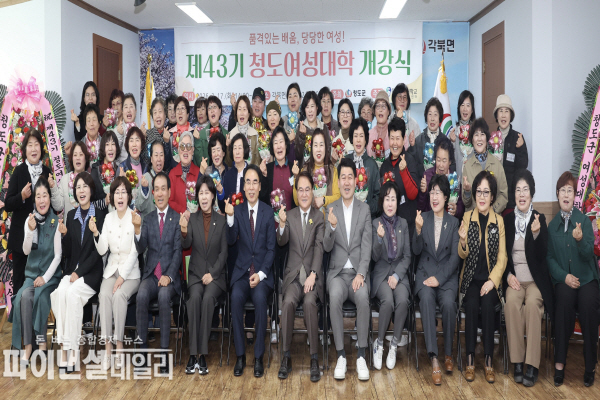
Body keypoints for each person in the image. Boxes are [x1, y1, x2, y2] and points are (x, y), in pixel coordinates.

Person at [548, 171, 599, 387]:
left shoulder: (583, 222)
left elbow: (589, 255)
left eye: (570, 190)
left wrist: (580, 241)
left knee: (588, 306)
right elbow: (549, 259)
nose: (566, 194)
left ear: (575, 195)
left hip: (586, 279)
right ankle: (559, 364)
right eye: (563, 190)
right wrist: (564, 276)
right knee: (563, 303)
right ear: (557, 194)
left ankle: (590, 366)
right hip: (565, 280)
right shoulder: (552, 226)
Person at [502, 169, 553, 387]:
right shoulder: (507, 220)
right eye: (518, 190)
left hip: (535, 281)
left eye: (525, 190)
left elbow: (542, 256)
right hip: (515, 280)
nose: (521, 194)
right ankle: (517, 362)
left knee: (532, 305)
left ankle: (532, 365)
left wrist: (536, 234)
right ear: (514, 194)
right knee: (511, 304)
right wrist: (507, 276)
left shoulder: (539, 218)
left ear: (531, 194)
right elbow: (502, 256)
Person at [324, 158, 372, 381]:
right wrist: (332, 227)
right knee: (334, 296)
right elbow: (326, 246)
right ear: (338, 182)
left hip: (357, 274)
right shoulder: (330, 209)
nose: (346, 182)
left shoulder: (365, 209)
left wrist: (361, 273)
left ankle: (361, 354)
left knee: (363, 297)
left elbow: (367, 246)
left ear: (356, 180)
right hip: (337, 274)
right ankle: (341, 355)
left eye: (350, 177)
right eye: (342, 177)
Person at [51, 172, 105, 373]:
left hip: (91, 274)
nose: (81, 191)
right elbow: (68, 252)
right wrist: (64, 235)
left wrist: (79, 272)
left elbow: (98, 253)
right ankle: (64, 348)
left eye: (85, 186)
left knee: (72, 295)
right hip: (72, 271)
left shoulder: (100, 215)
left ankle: (73, 351)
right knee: (59, 293)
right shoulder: (71, 216)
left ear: (91, 190)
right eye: (78, 187)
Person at [226, 164, 276, 378]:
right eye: (248, 182)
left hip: (261, 274)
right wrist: (229, 219)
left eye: (255, 182)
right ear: (243, 187)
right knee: (236, 298)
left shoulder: (268, 211)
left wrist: (261, 274)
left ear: (260, 186)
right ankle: (240, 356)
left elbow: (272, 249)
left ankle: (258, 357)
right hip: (242, 272)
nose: (252, 186)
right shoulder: (237, 211)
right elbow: (230, 241)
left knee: (261, 300)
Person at [458, 170, 507, 383]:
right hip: (470, 278)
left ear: (492, 196)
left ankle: (488, 361)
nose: (482, 196)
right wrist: (462, 242)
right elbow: (462, 255)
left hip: (490, 281)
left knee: (487, 305)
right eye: (478, 191)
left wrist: (492, 281)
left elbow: (502, 258)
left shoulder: (499, 221)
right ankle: (469, 359)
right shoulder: (467, 217)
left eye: (486, 192)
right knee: (470, 303)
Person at [276, 170, 324, 381]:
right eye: (301, 190)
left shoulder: (319, 217)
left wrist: (313, 274)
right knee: (287, 303)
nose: (304, 194)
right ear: (296, 193)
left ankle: (314, 358)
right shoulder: (290, 215)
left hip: (312, 277)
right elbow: (282, 241)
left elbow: (319, 248)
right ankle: (286, 356)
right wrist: (281, 225)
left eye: (308, 189)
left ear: (313, 192)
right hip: (294, 277)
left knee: (310, 303)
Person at [413, 175, 460, 384]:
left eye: (438, 193)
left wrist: (439, 279)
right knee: (425, 299)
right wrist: (417, 231)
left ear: (446, 196)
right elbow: (416, 251)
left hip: (446, 277)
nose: (434, 197)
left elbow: (455, 258)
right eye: (432, 192)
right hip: (425, 274)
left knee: (449, 304)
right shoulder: (423, 218)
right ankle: (433, 358)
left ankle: (448, 353)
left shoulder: (454, 222)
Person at [133, 172, 181, 374]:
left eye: (163, 189)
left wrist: (169, 276)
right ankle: (142, 354)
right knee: (141, 295)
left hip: (169, 276)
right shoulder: (148, 218)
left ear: (169, 192)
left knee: (163, 296)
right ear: (153, 193)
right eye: (157, 190)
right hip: (152, 274)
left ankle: (163, 355)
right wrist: (137, 230)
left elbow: (178, 252)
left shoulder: (176, 218)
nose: (160, 193)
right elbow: (141, 247)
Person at [9, 177, 61, 365]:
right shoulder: (29, 221)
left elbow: (58, 256)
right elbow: (25, 251)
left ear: (49, 198)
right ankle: (28, 346)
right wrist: (30, 231)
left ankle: (42, 344)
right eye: (38, 196)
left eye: (45, 195)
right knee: (23, 297)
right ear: (35, 200)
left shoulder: (56, 222)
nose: (41, 200)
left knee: (40, 297)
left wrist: (45, 278)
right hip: (31, 276)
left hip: (50, 278)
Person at [93, 176, 140, 370]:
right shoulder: (108, 218)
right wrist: (96, 234)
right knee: (104, 295)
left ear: (129, 196)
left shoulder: (134, 217)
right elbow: (103, 250)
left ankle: (119, 346)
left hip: (131, 273)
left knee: (119, 295)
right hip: (111, 269)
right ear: (112, 197)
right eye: (116, 193)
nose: (120, 196)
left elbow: (135, 252)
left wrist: (122, 277)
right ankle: (108, 348)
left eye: (123, 192)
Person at [182, 175, 228, 375]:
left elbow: (224, 253)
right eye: (200, 193)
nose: (203, 197)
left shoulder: (222, 220)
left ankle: (202, 354)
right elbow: (186, 244)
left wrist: (213, 274)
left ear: (213, 196)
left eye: (207, 193)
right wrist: (184, 230)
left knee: (208, 298)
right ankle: (193, 354)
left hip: (215, 276)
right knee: (194, 299)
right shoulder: (192, 219)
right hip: (195, 274)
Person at [5, 129, 51, 293]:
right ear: (25, 150)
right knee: (20, 283)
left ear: (41, 148)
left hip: (43, 239)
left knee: (40, 283)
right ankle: (18, 309)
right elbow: (8, 204)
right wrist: (22, 196)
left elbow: (52, 205)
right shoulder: (19, 171)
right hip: (21, 239)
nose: (33, 149)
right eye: (30, 145)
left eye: (36, 144)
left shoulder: (47, 172)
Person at [371, 181, 411, 371]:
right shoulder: (375, 224)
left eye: (393, 199)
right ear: (382, 201)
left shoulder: (403, 224)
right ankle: (379, 344)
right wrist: (379, 239)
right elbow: (374, 257)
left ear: (398, 202)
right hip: (381, 275)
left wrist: (396, 275)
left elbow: (408, 256)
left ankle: (394, 345)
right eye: (387, 199)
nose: (390, 203)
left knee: (402, 300)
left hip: (399, 274)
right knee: (387, 301)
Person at [379, 118, 419, 239]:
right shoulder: (384, 166)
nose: (395, 143)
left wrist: (404, 171)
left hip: (408, 227)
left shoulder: (410, 160)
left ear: (404, 139)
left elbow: (413, 194)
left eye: (398, 138)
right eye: (392, 138)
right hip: (389, 227)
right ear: (388, 139)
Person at [462, 118, 508, 214]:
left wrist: (491, 211)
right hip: (473, 219)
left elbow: (503, 195)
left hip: (493, 218)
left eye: (482, 134)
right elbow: (466, 203)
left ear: (487, 138)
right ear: (472, 140)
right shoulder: (467, 166)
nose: (479, 138)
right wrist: (467, 191)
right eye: (476, 134)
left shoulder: (497, 164)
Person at [494, 95, 528, 214]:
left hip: (511, 201)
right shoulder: (491, 138)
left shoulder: (518, 138)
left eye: (506, 111)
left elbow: (523, 168)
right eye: (500, 111)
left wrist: (520, 148)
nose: (503, 115)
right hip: (495, 199)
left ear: (511, 115)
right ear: (496, 116)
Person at [292, 128, 340, 213]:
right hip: (310, 219)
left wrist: (324, 200)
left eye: (321, 145)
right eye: (315, 145)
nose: (318, 149)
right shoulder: (305, 170)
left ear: (326, 147)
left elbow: (338, 197)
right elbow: (297, 202)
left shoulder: (332, 169)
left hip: (329, 219)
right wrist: (296, 177)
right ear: (311, 148)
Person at [417, 135, 464, 221]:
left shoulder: (455, 179)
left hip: (448, 224)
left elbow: (461, 208)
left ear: (450, 161)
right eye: (438, 160)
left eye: (444, 161)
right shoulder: (427, 176)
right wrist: (423, 192)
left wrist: (456, 210)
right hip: (430, 222)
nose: (441, 165)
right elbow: (420, 208)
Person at [408, 97, 455, 178]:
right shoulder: (418, 141)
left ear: (440, 117)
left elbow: (452, 166)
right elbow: (412, 166)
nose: (432, 119)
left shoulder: (446, 141)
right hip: (422, 185)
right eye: (430, 114)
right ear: (426, 117)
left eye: (435, 115)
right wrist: (412, 147)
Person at [345, 118, 380, 216]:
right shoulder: (346, 162)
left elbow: (378, 197)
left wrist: (366, 208)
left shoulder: (372, 165)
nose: (358, 140)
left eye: (361, 136)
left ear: (366, 139)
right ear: (351, 138)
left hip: (367, 217)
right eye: (355, 136)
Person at [50, 141, 91, 216]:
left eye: (81, 154)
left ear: (86, 158)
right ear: (71, 159)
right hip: (69, 223)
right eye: (75, 155)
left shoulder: (91, 178)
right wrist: (53, 187)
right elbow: (58, 206)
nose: (78, 158)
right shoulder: (65, 179)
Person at [119, 126, 149, 209]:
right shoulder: (122, 167)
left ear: (142, 145)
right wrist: (121, 183)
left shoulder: (146, 167)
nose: (134, 144)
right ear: (127, 145)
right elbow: (117, 198)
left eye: (137, 140)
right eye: (131, 140)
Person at [226, 95, 260, 167]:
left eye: (244, 109)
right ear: (236, 113)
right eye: (239, 109)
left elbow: (257, 162)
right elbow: (228, 164)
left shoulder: (255, 134)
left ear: (249, 114)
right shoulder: (231, 135)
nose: (241, 113)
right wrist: (228, 147)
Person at [194, 95, 228, 166]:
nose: (212, 110)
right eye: (209, 108)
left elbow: (229, 163)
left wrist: (229, 147)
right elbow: (198, 163)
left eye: (214, 107)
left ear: (220, 111)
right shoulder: (201, 135)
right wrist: (197, 141)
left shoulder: (227, 135)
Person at [91, 130, 121, 213]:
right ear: (103, 148)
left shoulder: (120, 169)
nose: (110, 148)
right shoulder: (95, 171)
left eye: (113, 144)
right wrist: (105, 202)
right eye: (107, 144)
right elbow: (90, 204)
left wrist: (121, 180)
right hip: (101, 218)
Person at [145, 97, 176, 172]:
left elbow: (171, 163)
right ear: (152, 117)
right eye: (155, 113)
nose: (158, 115)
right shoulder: (147, 135)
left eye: (160, 112)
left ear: (165, 115)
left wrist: (167, 143)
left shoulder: (171, 134)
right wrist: (142, 139)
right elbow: (144, 161)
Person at [137, 140, 167, 219]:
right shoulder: (145, 178)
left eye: (161, 155)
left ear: (164, 158)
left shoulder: (167, 178)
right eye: (156, 155)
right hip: (148, 224)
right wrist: (144, 190)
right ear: (151, 159)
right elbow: (139, 206)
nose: (159, 159)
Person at [450, 90, 475, 180]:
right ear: (458, 108)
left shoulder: (476, 132)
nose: (465, 109)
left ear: (472, 110)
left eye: (468, 105)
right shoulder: (454, 132)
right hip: (457, 181)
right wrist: (453, 142)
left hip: (473, 180)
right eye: (462, 105)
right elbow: (450, 161)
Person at [201, 133, 228, 213]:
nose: (216, 154)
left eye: (218, 150)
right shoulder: (206, 172)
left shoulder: (230, 172)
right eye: (213, 151)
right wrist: (201, 172)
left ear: (223, 153)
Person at [295, 91, 324, 167]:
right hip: (305, 172)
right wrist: (302, 136)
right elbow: (297, 155)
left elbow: (327, 153)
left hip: (321, 171)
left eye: (312, 106)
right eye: (307, 107)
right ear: (304, 109)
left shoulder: (323, 128)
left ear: (317, 107)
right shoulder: (300, 128)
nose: (310, 110)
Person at [391, 83, 420, 150]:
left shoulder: (414, 124)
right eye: (399, 97)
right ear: (394, 99)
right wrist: (397, 120)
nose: (402, 100)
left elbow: (418, 149)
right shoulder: (388, 121)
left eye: (405, 97)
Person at [113, 93, 139, 164]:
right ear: (122, 111)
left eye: (131, 107)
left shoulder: (139, 131)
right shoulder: (116, 130)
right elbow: (114, 156)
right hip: (121, 168)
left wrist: (143, 137)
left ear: (135, 111)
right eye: (126, 107)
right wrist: (120, 135)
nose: (129, 110)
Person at [367, 91, 391, 161]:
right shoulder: (368, 135)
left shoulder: (394, 133)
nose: (380, 110)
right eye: (378, 106)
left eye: (383, 106)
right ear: (374, 111)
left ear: (388, 111)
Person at [331, 99, 355, 164]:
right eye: (342, 112)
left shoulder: (357, 140)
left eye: (348, 112)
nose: (345, 115)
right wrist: (333, 162)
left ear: (352, 116)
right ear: (338, 115)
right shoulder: (334, 142)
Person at [168, 96, 192, 163]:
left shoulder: (193, 133)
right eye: (178, 109)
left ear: (187, 114)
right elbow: (167, 162)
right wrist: (166, 142)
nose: (180, 112)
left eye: (182, 108)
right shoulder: (170, 133)